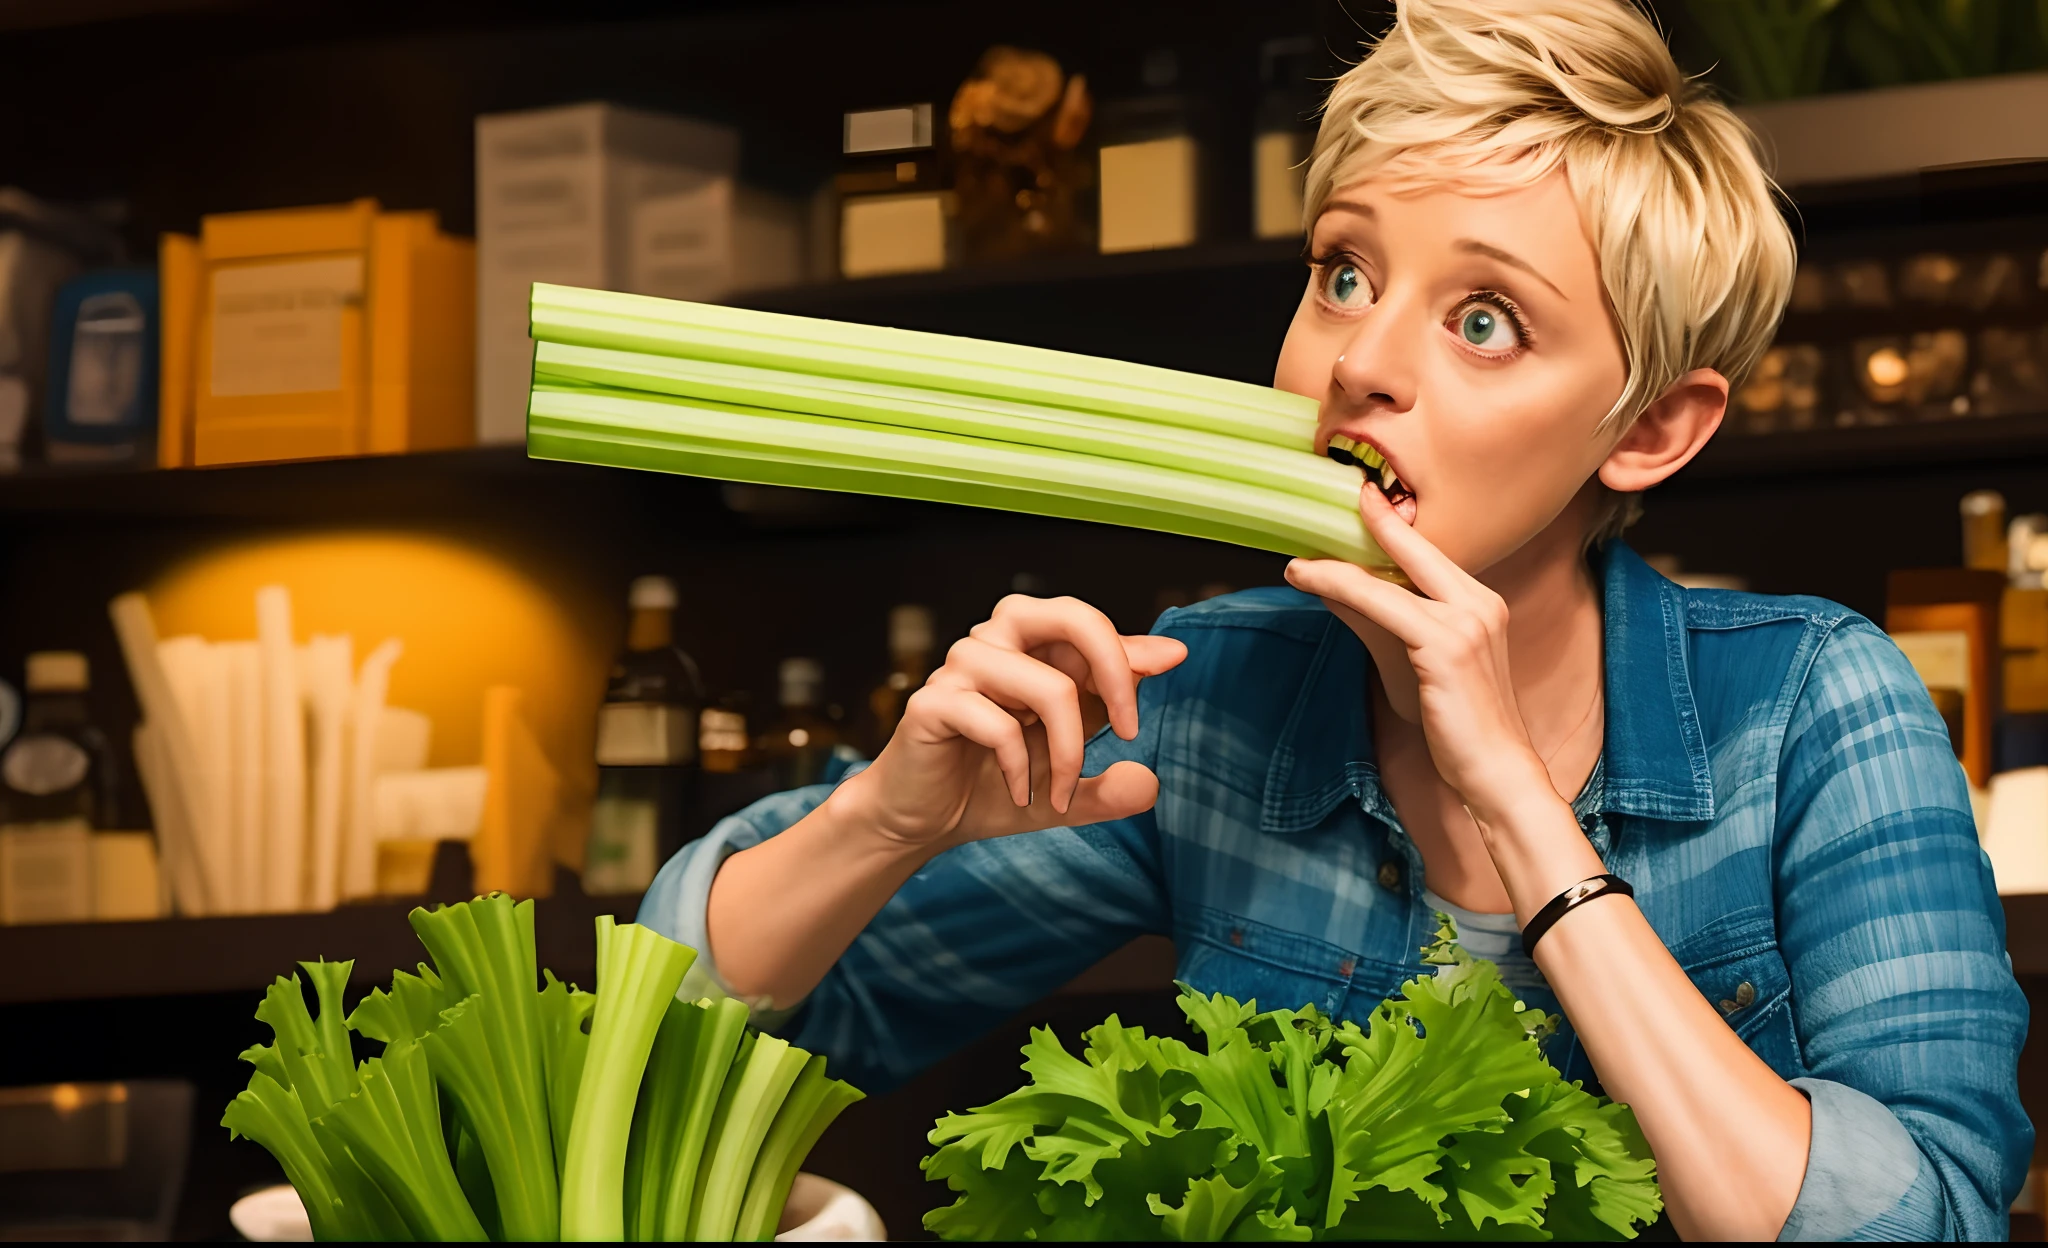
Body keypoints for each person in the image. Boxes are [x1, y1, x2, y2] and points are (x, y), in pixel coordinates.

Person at [639, 0, 2032, 1237]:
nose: (1357, 360)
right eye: (1345, 273)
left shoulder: (1815, 706)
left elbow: (1929, 1218)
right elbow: (683, 1055)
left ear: (1653, 427)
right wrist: (883, 820)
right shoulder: (1211, 698)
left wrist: (1526, 818)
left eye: (1484, 321)